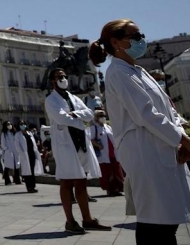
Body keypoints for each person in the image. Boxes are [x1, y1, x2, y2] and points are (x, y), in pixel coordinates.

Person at [91, 19, 190, 244]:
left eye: (141, 35)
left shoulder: (137, 70)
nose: (141, 41)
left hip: (162, 149)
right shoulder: (118, 73)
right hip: (145, 153)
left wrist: (181, 127)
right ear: (116, 42)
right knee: (156, 222)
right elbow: (145, 114)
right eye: (135, 37)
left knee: (168, 219)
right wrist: (184, 140)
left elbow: (166, 107)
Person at [45, 68, 111, 235]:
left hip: (81, 142)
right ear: (53, 80)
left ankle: (87, 219)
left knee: (81, 181)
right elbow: (61, 118)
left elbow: (89, 114)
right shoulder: (51, 100)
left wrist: (74, 114)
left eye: (65, 76)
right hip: (66, 144)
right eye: (60, 77)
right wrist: (77, 117)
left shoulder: (74, 98)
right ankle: (70, 221)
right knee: (67, 182)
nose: (64, 79)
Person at [89, 110, 124, 196]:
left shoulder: (108, 127)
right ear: (96, 118)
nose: (103, 117)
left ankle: (117, 189)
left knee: (116, 170)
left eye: (104, 115)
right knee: (107, 171)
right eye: (100, 115)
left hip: (113, 152)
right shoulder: (94, 128)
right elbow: (91, 139)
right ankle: (110, 189)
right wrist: (98, 145)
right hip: (104, 153)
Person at [15, 121, 43, 193]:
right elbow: (17, 146)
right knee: (27, 172)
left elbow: (34, 144)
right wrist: (22, 153)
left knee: (32, 171)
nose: (23, 125)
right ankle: (29, 187)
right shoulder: (18, 135)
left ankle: (33, 186)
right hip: (25, 155)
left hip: (32, 154)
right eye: (21, 124)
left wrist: (36, 152)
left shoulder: (29, 133)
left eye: (24, 124)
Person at [0, 121, 21, 185]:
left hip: (15, 151)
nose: (9, 125)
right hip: (8, 152)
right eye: (8, 124)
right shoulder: (4, 134)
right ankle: (7, 180)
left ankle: (17, 180)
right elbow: (2, 143)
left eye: (10, 124)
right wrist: (6, 149)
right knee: (8, 166)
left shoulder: (14, 133)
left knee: (17, 166)